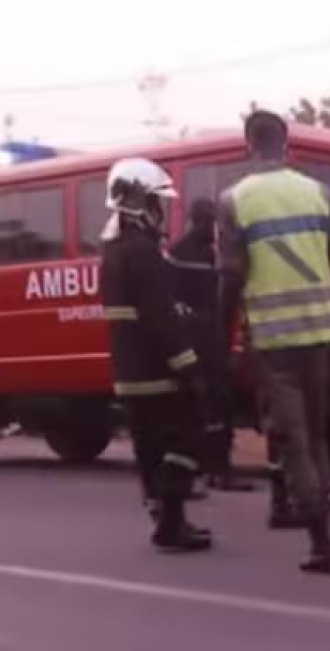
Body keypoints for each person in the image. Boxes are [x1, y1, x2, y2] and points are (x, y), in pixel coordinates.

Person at [218, 110, 330, 575]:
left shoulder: (235, 200)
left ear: (249, 144)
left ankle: (322, 542)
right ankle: (322, 526)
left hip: (274, 342)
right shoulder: (320, 193)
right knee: (316, 436)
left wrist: (222, 341)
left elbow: (230, 279)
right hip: (321, 333)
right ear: (286, 142)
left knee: (293, 443)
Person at [100, 158, 213, 553]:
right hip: (156, 368)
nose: (159, 210)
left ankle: (166, 520)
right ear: (138, 201)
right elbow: (160, 317)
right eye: (155, 201)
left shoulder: (111, 249)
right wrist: (190, 366)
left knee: (148, 445)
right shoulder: (141, 251)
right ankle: (170, 516)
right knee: (187, 435)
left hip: (128, 370)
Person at [166, 197, 254, 494]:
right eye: (207, 221)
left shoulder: (203, 252)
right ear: (197, 220)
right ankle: (212, 472)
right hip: (198, 341)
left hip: (209, 339)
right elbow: (173, 301)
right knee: (206, 407)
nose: (211, 227)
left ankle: (216, 471)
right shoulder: (183, 253)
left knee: (215, 406)